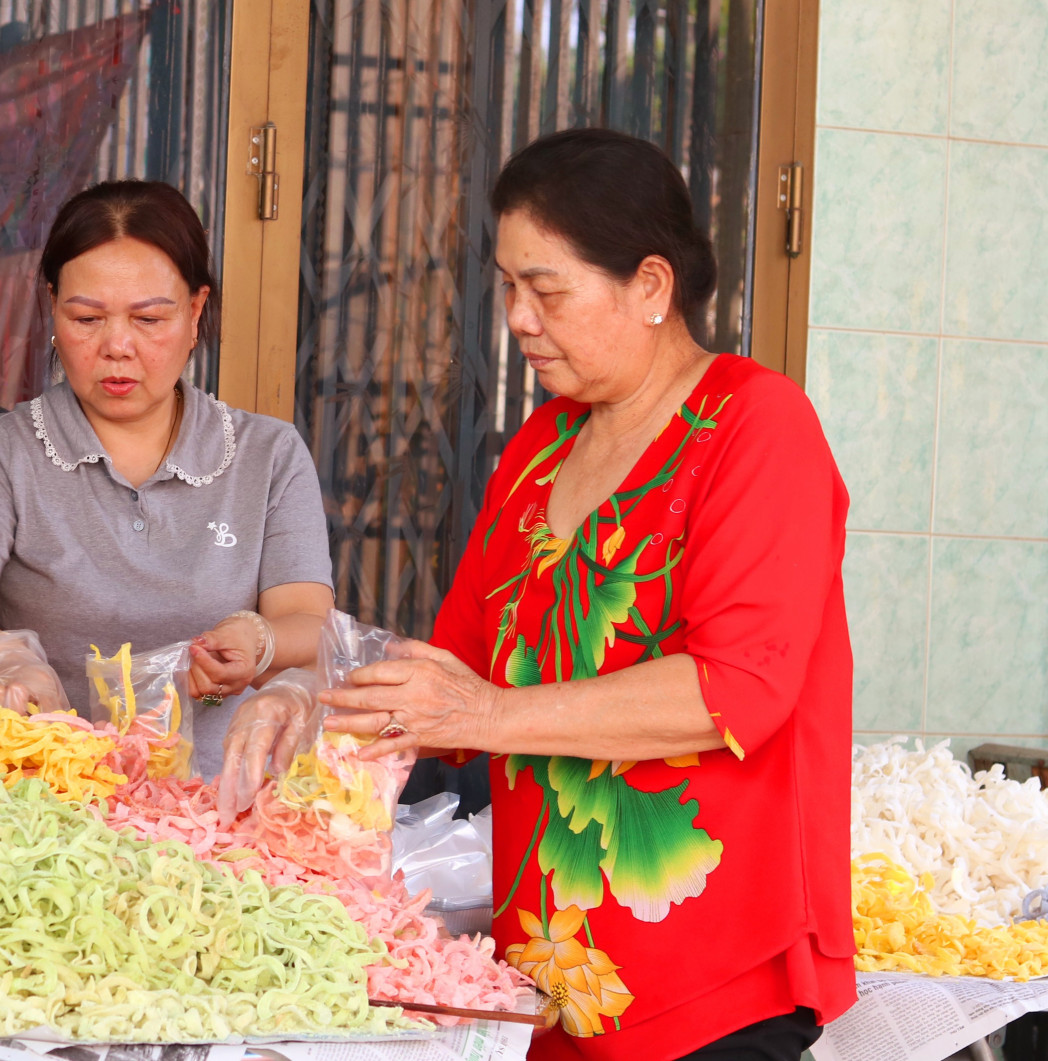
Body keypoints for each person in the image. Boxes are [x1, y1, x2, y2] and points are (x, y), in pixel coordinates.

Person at [293, 129, 855, 1059]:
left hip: (712, 984)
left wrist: (490, 712)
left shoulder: (755, 426)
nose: (517, 317)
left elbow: (737, 687)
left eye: (547, 290)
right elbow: (455, 675)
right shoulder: (541, 447)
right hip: (548, 985)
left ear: (650, 286)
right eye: (509, 287)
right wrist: (312, 699)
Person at [0, 180, 334, 771]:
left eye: (148, 319)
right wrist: (0, 657)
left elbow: (308, 622)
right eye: (86, 318)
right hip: (44, 800)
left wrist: (259, 640)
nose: (116, 346)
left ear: (195, 312)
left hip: (220, 808)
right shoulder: (7, 450)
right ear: (52, 308)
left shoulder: (267, 454)